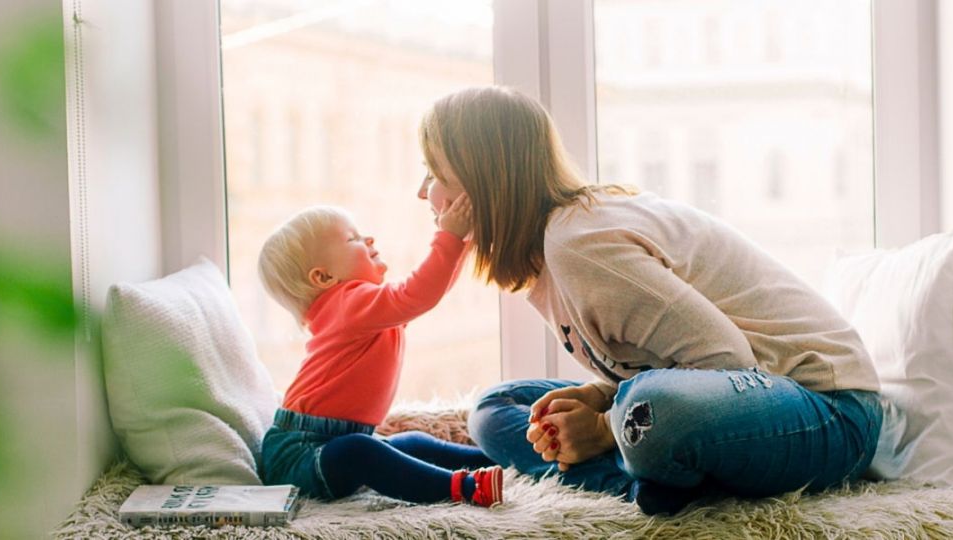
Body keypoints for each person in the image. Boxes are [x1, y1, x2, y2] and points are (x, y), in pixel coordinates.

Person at [414, 85, 883, 516]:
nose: (422, 192)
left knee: (650, 409)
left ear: (483, 182)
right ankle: (649, 480)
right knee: (497, 407)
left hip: (829, 412)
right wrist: (603, 399)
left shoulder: (579, 244)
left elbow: (728, 362)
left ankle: (641, 470)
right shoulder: (549, 255)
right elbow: (666, 366)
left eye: (434, 174)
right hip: (735, 400)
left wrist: (601, 427)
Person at [255, 199, 503, 507]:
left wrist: (463, 243)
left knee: (411, 442)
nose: (368, 239)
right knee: (360, 452)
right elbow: (419, 293)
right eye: (353, 239)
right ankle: (464, 488)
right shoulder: (348, 304)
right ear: (323, 278)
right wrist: (450, 238)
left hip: (331, 441)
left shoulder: (361, 308)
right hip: (299, 455)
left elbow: (428, 294)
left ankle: (497, 459)